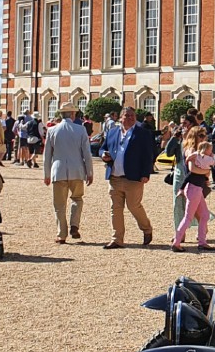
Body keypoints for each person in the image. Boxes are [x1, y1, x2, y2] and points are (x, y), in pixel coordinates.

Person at [102, 106, 155, 249]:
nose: (130, 118)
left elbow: (148, 155)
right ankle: (117, 239)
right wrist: (103, 155)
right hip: (114, 176)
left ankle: (147, 229)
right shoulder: (112, 132)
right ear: (121, 118)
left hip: (133, 177)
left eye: (132, 115)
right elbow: (103, 147)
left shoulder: (142, 133)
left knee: (134, 206)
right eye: (127, 115)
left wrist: (145, 174)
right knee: (115, 209)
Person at [43, 105, 93, 244]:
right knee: (77, 198)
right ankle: (74, 225)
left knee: (59, 205)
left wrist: (46, 174)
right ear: (72, 114)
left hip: (58, 171)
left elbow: (47, 155)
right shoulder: (80, 129)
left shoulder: (52, 130)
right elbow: (87, 154)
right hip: (77, 170)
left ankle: (61, 234)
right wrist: (89, 172)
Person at [172, 126, 215, 253]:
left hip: (196, 187)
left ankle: (202, 242)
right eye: (201, 136)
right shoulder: (191, 150)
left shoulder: (198, 151)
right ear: (194, 136)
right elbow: (192, 169)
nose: (204, 138)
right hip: (193, 187)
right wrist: (206, 171)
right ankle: (176, 242)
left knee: (204, 215)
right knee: (188, 217)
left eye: (205, 135)